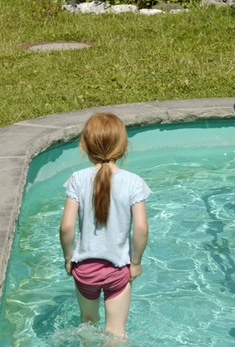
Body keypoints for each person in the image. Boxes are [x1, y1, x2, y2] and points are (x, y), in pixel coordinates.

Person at [59, 112, 150, 342]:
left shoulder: (77, 179)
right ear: (123, 146)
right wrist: (136, 262)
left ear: (85, 146)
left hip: (85, 270)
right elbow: (141, 229)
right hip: (116, 269)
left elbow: (66, 227)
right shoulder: (133, 182)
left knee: (87, 325)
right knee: (116, 333)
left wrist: (69, 257)